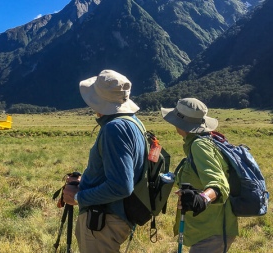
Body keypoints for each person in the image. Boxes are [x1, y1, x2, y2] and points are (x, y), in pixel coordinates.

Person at [62, 69, 146, 252]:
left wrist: (78, 197)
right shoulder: (134, 123)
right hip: (113, 218)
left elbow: (121, 186)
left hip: (103, 221)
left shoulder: (114, 129)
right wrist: (85, 182)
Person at [161, 98, 238, 253]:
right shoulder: (201, 142)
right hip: (207, 230)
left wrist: (202, 199)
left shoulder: (199, 146)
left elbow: (219, 184)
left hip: (212, 232)